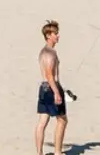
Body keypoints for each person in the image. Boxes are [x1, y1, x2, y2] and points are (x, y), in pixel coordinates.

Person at [35, 20, 68, 155]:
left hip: (43, 89)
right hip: (50, 89)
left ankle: (39, 153)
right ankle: (58, 152)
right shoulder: (49, 54)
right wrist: (57, 93)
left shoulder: (44, 52)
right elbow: (49, 75)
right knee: (62, 120)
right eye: (55, 33)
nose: (57, 36)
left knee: (42, 121)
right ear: (48, 35)